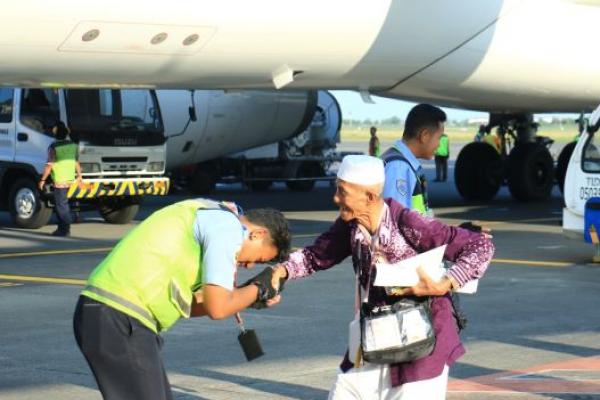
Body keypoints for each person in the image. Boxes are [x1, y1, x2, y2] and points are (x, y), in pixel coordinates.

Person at [271, 155, 494, 399]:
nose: (335, 198)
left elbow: (479, 246)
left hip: (421, 344)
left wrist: (445, 283)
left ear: (369, 197)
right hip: (375, 336)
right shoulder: (350, 225)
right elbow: (316, 256)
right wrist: (280, 271)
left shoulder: (408, 223)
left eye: (342, 191)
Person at [73, 198, 290, 400]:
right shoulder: (228, 227)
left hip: (117, 317)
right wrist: (259, 288)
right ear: (258, 234)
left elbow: (196, 305)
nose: (250, 265)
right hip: (120, 317)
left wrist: (245, 297)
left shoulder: (211, 215)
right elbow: (218, 309)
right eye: (259, 258)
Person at [381, 104, 447, 215]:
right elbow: (394, 222)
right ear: (424, 135)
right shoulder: (399, 168)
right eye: (439, 138)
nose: (439, 145)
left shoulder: (400, 162)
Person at [38, 121, 82, 236]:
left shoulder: (54, 147)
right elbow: (76, 162)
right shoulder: (73, 145)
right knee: (63, 203)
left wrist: (42, 180)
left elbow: (49, 165)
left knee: (61, 205)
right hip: (70, 179)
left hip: (59, 179)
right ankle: (63, 228)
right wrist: (80, 177)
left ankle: (64, 229)